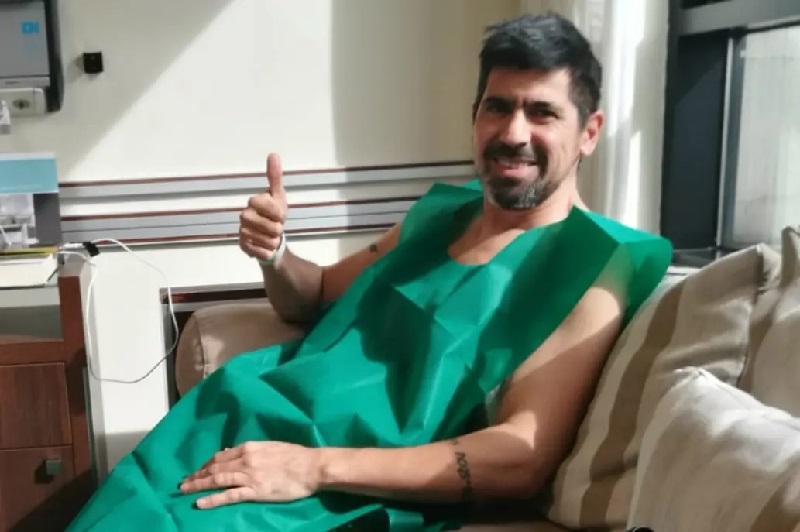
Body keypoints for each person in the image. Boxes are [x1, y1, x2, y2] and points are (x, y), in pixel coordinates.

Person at [67, 12, 671, 532]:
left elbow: (522, 456)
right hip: (240, 413)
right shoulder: (440, 214)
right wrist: (275, 254)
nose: (514, 133)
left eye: (542, 113)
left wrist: (312, 467)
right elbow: (312, 297)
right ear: (475, 117)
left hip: (337, 485)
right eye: (498, 107)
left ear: (589, 132)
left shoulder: (593, 261)